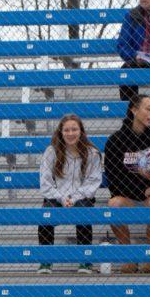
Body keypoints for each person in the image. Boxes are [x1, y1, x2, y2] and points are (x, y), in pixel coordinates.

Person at [104, 95, 150, 273]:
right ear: (134, 110)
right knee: (113, 204)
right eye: (148, 109)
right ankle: (128, 256)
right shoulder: (116, 140)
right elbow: (114, 177)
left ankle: (149, 256)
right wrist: (141, 189)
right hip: (128, 196)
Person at [37, 114, 102, 272]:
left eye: (74, 129)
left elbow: (93, 182)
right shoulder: (51, 152)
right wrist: (61, 197)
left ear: (81, 131)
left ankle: (85, 260)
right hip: (57, 196)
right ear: (61, 132)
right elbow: (45, 183)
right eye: (66, 130)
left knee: (83, 211)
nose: (70, 133)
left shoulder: (92, 153)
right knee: (46, 214)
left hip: (81, 197)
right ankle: (46, 261)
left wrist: (74, 198)